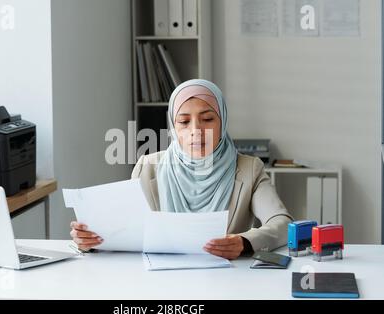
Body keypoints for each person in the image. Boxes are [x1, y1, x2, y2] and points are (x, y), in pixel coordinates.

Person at [70, 79, 293, 260]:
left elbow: (282, 224)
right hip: (160, 282)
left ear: (222, 121)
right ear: (173, 127)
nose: (196, 130)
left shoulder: (249, 168)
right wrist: (90, 240)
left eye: (207, 119)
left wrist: (244, 243)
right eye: (184, 122)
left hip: (226, 281)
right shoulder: (148, 168)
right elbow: (122, 231)